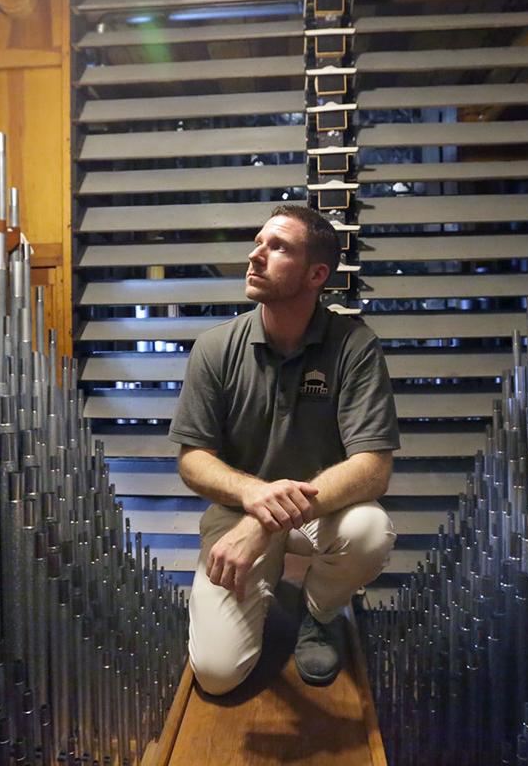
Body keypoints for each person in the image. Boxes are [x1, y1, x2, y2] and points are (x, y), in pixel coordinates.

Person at [168, 204, 400, 696]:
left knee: (370, 529)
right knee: (216, 673)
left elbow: (373, 470)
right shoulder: (215, 348)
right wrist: (252, 498)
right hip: (238, 514)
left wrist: (264, 521)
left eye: (277, 247)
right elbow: (192, 460)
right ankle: (272, 586)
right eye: (258, 242)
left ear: (317, 274)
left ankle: (320, 612)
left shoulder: (354, 346)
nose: (255, 255)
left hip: (320, 516)